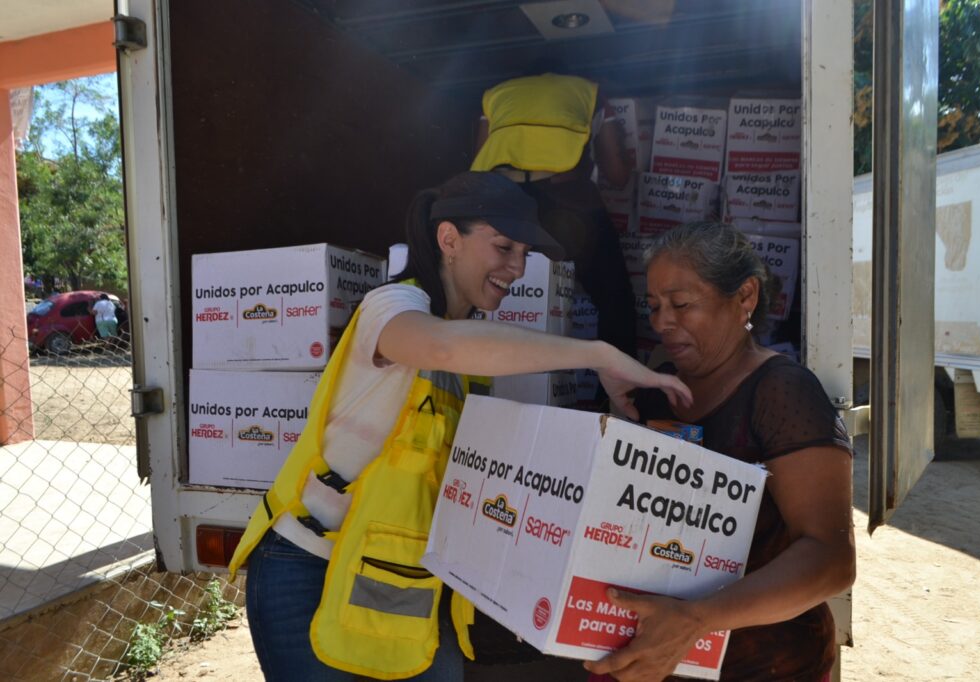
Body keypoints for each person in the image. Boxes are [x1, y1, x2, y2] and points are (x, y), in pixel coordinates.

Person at [227, 171, 692, 682]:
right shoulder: (393, 308)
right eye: (503, 246)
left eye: (524, 253)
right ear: (449, 240)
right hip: (308, 568)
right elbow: (443, 345)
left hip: (403, 575)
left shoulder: (474, 348)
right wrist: (600, 353)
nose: (516, 267)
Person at [583, 222, 856, 682]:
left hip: (764, 665)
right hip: (653, 660)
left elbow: (831, 560)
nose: (662, 322)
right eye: (653, 306)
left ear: (745, 296)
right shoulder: (657, 388)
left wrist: (697, 619)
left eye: (682, 304)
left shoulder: (782, 392)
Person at [471, 72, 637, 360]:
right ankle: (621, 395)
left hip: (505, 202)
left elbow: (480, 163)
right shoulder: (591, 92)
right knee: (614, 296)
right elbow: (617, 174)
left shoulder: (494, 96)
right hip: (566, 202)